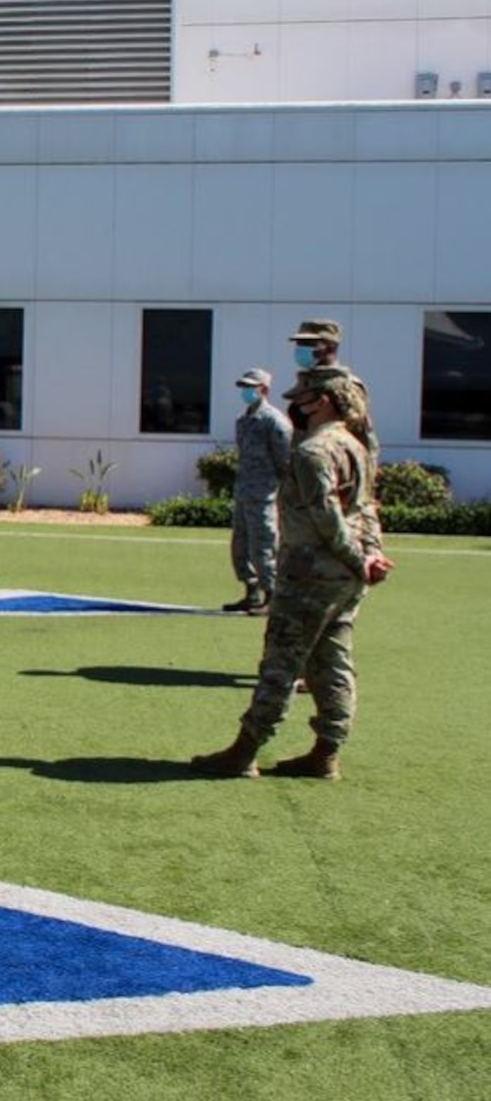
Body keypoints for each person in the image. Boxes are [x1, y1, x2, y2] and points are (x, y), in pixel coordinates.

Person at [191, 375, 392, 780]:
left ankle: (244, 751)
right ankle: (326, 752)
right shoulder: (357, 447)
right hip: (343, 577)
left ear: (324, 402)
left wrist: (357, 559)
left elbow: (327, 517)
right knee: (332, 660)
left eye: (303, 400)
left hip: (311, 572)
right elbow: (365, 510)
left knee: (282, 661)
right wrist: (370, 557)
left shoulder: (314, 451)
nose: (296, 408)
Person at [222, 368, 292, 614]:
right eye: (244, 387)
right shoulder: (244, 420)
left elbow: (284, 460)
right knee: (240, 545)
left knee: (263, 546)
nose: (246, 391)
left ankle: (272, 596)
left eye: (251, 387)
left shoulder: (274, 421)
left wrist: (282, 489)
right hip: (245, 492)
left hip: (264, 493)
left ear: (264, 389)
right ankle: (251, 592)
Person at [288, 319, 377, 458]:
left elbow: (362, 435)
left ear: (330, 346)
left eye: (309, 344)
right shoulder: (306, 382)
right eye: (299, 343)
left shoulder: (346, 385)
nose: (300, 348)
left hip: (332, 464)